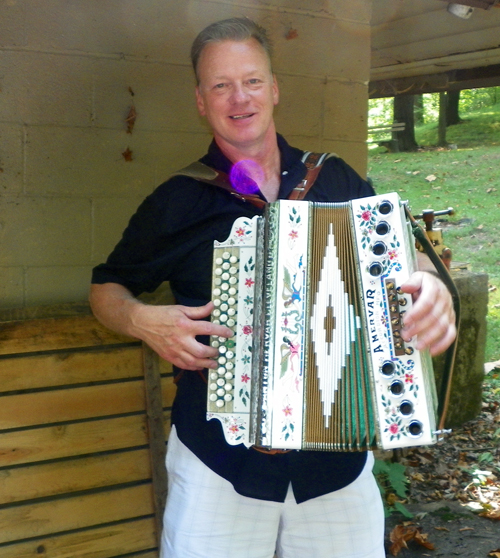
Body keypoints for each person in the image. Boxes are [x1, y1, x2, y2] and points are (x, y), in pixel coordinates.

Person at [90, 17, 456, 558]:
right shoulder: (178, 199)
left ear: (274, 88)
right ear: (201, 100)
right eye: (221, 85)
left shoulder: (336, 180)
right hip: (218, 461)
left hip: (336, 462)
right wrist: (142, 320)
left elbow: (408, 256)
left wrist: (432, 287)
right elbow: (106, 288)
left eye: (253, 80)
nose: (240, 97)